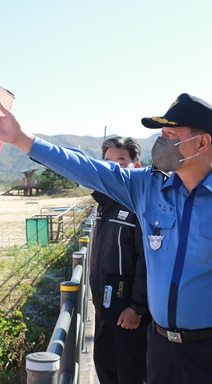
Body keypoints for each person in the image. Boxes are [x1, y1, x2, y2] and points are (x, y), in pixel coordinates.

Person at [0, 93, 212, 384]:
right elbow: (88, 169)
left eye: (170, 134)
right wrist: (24, 140)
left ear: (201, 142)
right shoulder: (147, 187)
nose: (162, 141)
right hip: (160, 348)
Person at [90, 136, 150, 384]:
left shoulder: (140, 205)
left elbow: (148, 260)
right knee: (105, 367)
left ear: (136, 166)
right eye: (107, 162)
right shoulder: (103, 203)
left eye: (121, 162)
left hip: (128, 311)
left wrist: (137, 307)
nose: (113, 169)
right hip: (103, 306)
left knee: (131, 374)